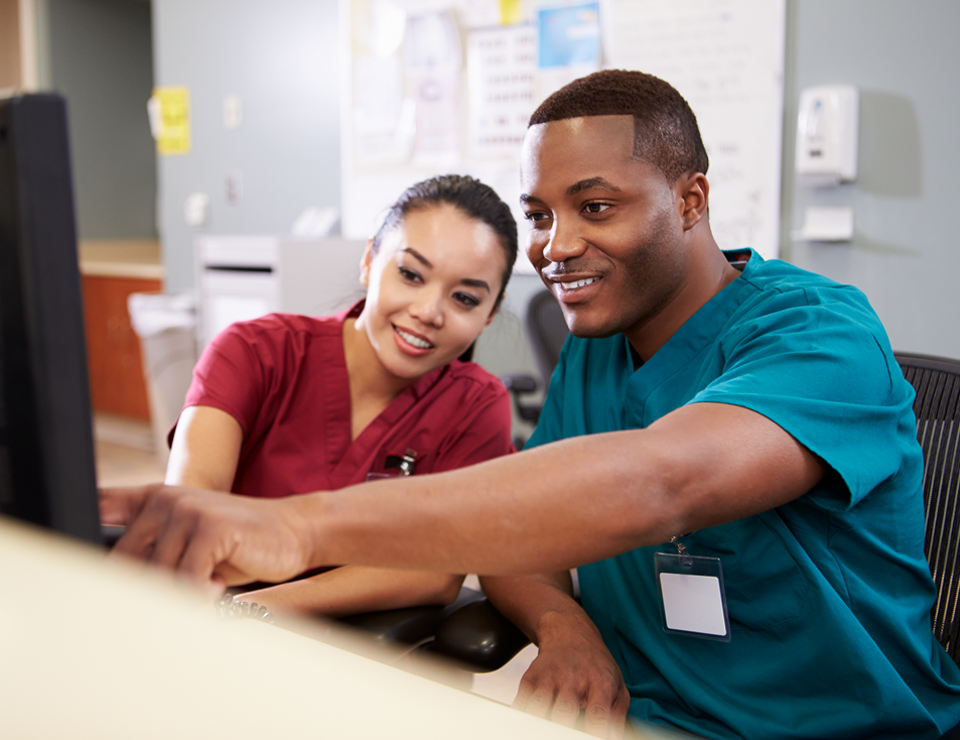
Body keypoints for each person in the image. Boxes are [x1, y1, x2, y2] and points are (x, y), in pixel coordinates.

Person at [102, 70, 960, 740]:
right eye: (541, 215)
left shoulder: (821, 333)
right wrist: (564, 626)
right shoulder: (593, 351)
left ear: (691, 201)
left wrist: (301, 525)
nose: (556, 247)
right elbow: (526, 527)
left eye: (596, 207)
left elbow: (661, 483)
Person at [163, 174, 518, 617]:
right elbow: (191, 505)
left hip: (362, 657)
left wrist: (253, 613)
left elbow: (436, 571)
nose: (428, 312)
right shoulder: (254, 352)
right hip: (207, 620)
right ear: (370, 260)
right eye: (410, 275)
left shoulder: (476, 407)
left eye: (464, 298)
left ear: (489, 315)